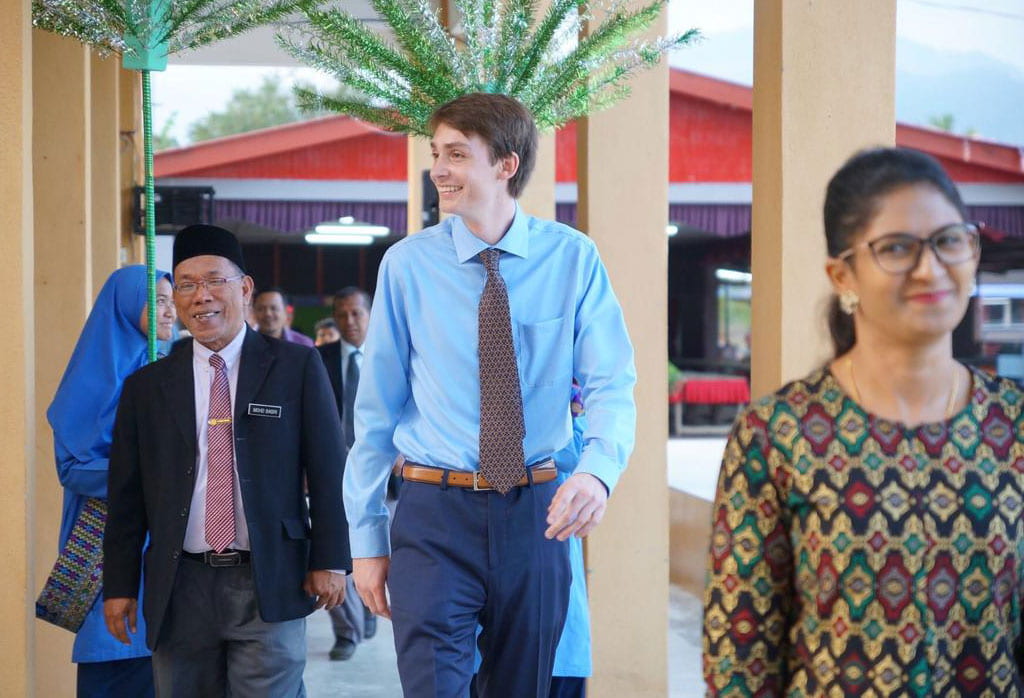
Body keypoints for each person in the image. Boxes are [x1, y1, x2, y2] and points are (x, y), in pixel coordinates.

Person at [702, 147, 1024, 695]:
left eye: (949, 240)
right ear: (842, 274)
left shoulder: (1012, 423)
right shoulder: (779, 434)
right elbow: (740, 656)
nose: (931, 268)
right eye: (897, 248)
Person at [345, 93, 636, 697]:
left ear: (506, 164)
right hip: (433, 515)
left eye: (456, 154)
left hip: (537, 513)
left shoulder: (572, 259)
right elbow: (374, 413)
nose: (438, 170)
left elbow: (611, 382)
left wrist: (597, 471)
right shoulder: (406, 267)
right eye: (436, 154)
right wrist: (366, 539)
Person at [103, 224, 350, 697]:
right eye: (187, 285)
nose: (201, 297)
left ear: (245, 288)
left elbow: (328, 470)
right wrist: (118, 584)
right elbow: (126, 496)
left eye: (214, 280)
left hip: (271, 577)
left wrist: (332, 558)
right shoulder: (147, 387)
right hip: (180, 584)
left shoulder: (295, 367)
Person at [47, 265, 173, 697]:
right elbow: (74, 467)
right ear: (124, 306)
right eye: (158, 300)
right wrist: (151, 470)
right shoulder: (93, 377)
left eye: (172, 300)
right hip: (108, 542)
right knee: (118, 657)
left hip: (168, 544)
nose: (171, 311)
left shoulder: (171, 370)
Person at [316, 286, 377, 660]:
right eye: (342, 315)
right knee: (336, 548)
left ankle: (370, 606)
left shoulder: (391, 356)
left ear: (371, 315)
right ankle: (347, 632)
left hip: (386, 473)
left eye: (357, 313)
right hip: (334, 471)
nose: (350, 322)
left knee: (380, 548)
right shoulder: (318, 359)